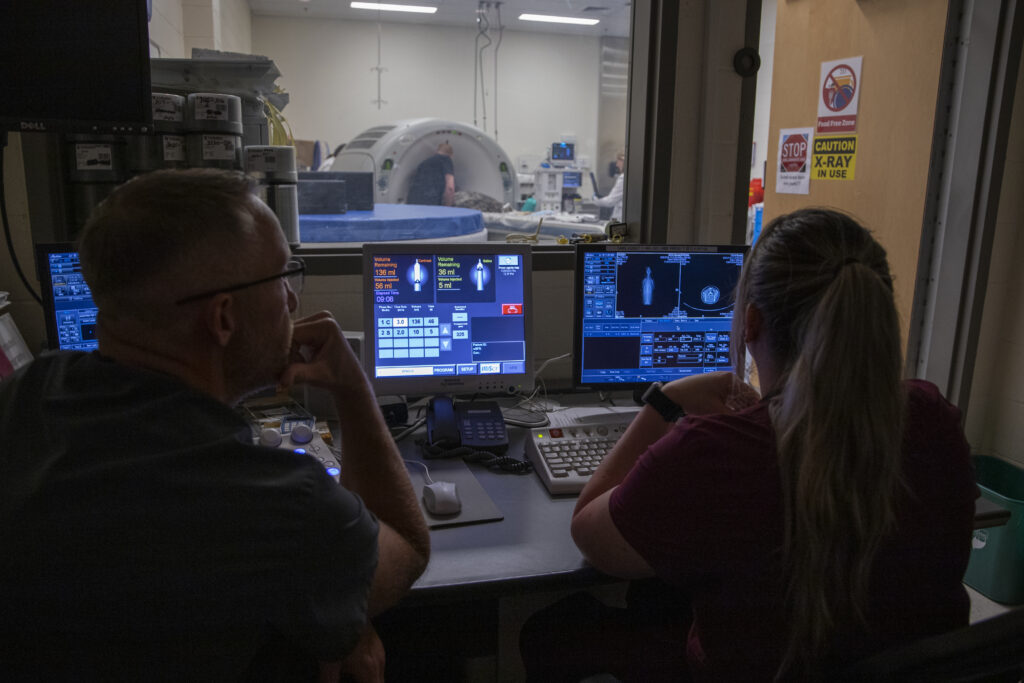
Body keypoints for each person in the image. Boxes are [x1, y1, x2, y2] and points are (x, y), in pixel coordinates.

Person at [0, 168, 430, 680]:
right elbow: (405, 544)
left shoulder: (26, 392)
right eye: (281, 277)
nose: (293, 300)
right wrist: (352, 387)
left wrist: (334, 605)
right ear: (223, 318)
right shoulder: (276, 502)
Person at [532, 208, 977, 681]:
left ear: (750, 323)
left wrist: (665, 403)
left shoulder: (713, 452)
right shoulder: (933, 418)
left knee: (552, 630)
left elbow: (590, 534)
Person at [406, 142, 455, 206]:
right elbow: (450, 187)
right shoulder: (446, 160)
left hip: (413, 199)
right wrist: (448, 206)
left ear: (436, 152)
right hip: (430, 201)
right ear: (451, 155)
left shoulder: (423, 163)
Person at [591, 151, 624, 221]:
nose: (617, 165)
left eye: (619, 162)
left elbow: (610, 201)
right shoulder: (625, 177)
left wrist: (595, 199)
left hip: (620, 219)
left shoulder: (623, 178)